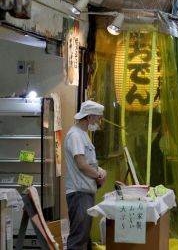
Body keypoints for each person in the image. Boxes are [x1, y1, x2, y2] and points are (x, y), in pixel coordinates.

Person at [65, 100, 107, 250]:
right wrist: (98, 176)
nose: (99, 122)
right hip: (78, 193)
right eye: (98, 118)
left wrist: (100, 170)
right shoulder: (75, 135)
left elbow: (89, 162)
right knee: (78, 238)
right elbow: (82, 165)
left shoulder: (83, 135)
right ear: (89, 117)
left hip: (86, 191)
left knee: (84, 237)